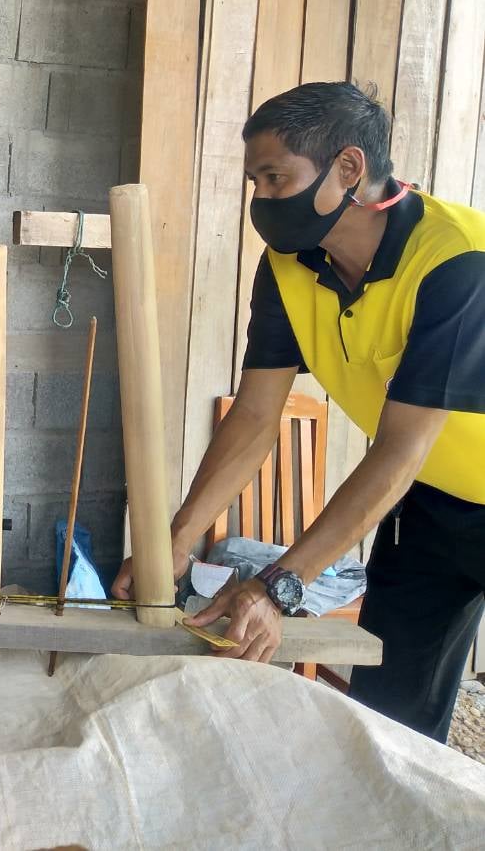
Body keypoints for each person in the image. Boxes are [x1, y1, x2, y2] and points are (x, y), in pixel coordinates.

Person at [114, 81, 485, 742]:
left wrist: (279, 584)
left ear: (348, 168)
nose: (261, 199)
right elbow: (256, 416)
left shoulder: (456, 262)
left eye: (275, 177)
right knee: (388, 719)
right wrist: (173, 541)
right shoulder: (288, 266)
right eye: (254, 181)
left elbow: (399, 450)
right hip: (434, 502)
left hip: (417, 468)